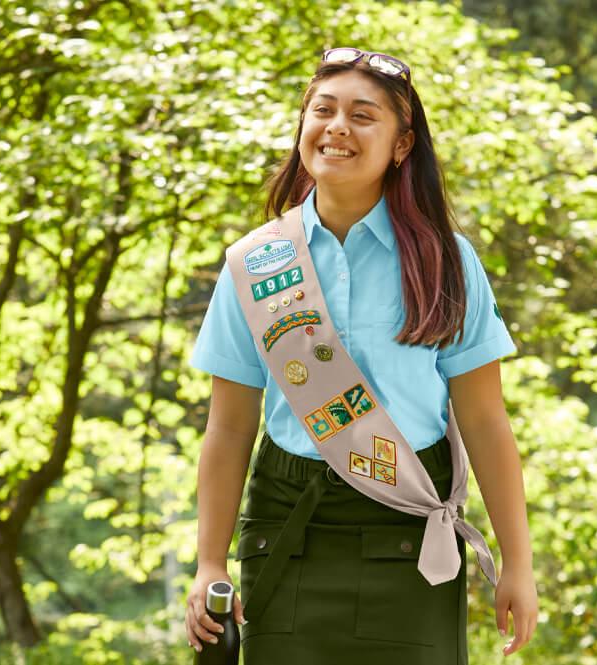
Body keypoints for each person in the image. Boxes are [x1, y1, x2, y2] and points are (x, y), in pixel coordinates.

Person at [184, 47, 538, 663]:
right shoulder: (256, 263)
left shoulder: (445, 261)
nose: (337, 127)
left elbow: (485, 421)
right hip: (287, 528)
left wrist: (518, 561)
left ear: (402, 145)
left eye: (363, 115)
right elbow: (229, 423)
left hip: (409, 524)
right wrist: (209, 561)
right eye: (323, 110)